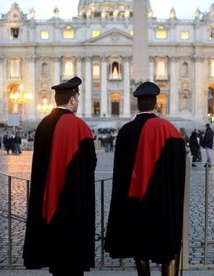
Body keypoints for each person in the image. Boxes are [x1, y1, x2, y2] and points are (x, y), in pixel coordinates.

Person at [104, 82, 186, 276]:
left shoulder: (125, 132)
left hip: (134, 202)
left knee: (139, 247)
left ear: (137, 105)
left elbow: (120, 173)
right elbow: (179, 172)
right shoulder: (170, 130)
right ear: (156, 104)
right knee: (168, 250)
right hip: (163, 205)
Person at [23, 77, 97, 276]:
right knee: (71, 261)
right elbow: (91, 163)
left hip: (47, 199)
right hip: (72, 203)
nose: (78, 102)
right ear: (72, 100)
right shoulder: (79, 126)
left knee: (55, 258)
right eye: (77, 98)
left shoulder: (43, 125)